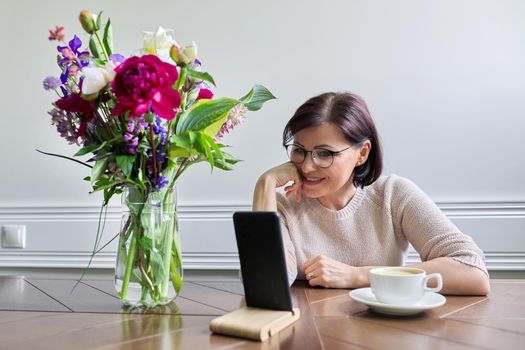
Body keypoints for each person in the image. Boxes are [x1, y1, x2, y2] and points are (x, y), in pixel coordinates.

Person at [252, 92, 490, 295]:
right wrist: (265, 184)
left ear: (362, 153)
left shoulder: (394, 195)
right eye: (299, 151)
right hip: (309, 329)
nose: (306, 166)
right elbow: (266, 285)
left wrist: (358, 276)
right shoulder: (284, 206)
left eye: (324, 154)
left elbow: (472, 271)